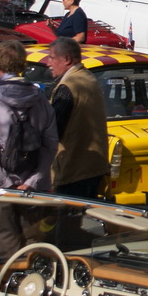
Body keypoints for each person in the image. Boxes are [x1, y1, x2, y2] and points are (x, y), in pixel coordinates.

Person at [0, 39, 58, 260]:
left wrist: (3, 183)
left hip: (0, 187)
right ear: (24, 65)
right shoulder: (41, 99)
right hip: (33, 184)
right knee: (34, 243)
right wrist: (33, 181)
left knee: (6, 244)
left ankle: (11, 286)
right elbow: (50, 143)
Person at [44, 37, 110, 198]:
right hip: (92, 167)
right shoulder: (88, 77)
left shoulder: (69, 86)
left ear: (66, 59)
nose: (48, 63)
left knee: (66, 221)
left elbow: (53, 130)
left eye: (52, 57)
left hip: (74, 170)